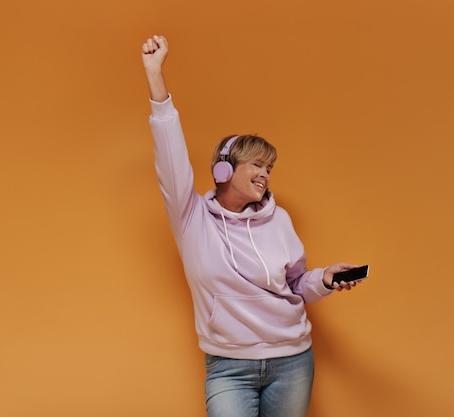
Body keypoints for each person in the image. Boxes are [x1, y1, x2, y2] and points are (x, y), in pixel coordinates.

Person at [141, 35, 363, 417]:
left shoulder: (279, 219)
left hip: (292, 361)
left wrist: (325, 279)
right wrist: (155, 77)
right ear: (224, 169)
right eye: (257, 165)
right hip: (228, 367)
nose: (264, 174)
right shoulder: (192, 217)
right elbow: (170, 156)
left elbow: (295, 284)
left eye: (269, 169)